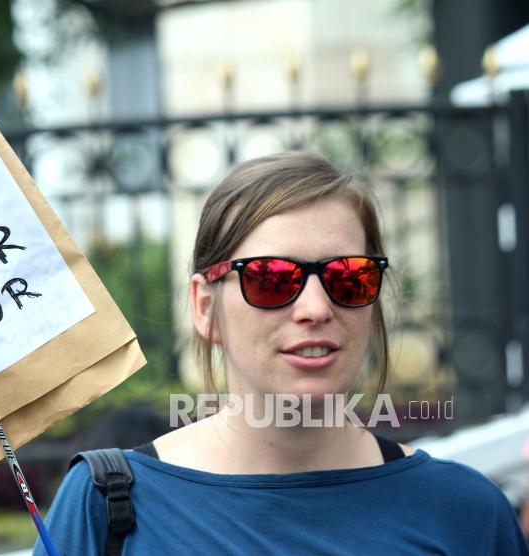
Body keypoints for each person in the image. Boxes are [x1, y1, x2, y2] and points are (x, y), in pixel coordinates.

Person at [34, 152, 528, 555]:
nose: (315, 307)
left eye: (347, 277)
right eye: (271, 278)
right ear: (205, 306)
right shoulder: (109, 503)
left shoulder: (465, 511)